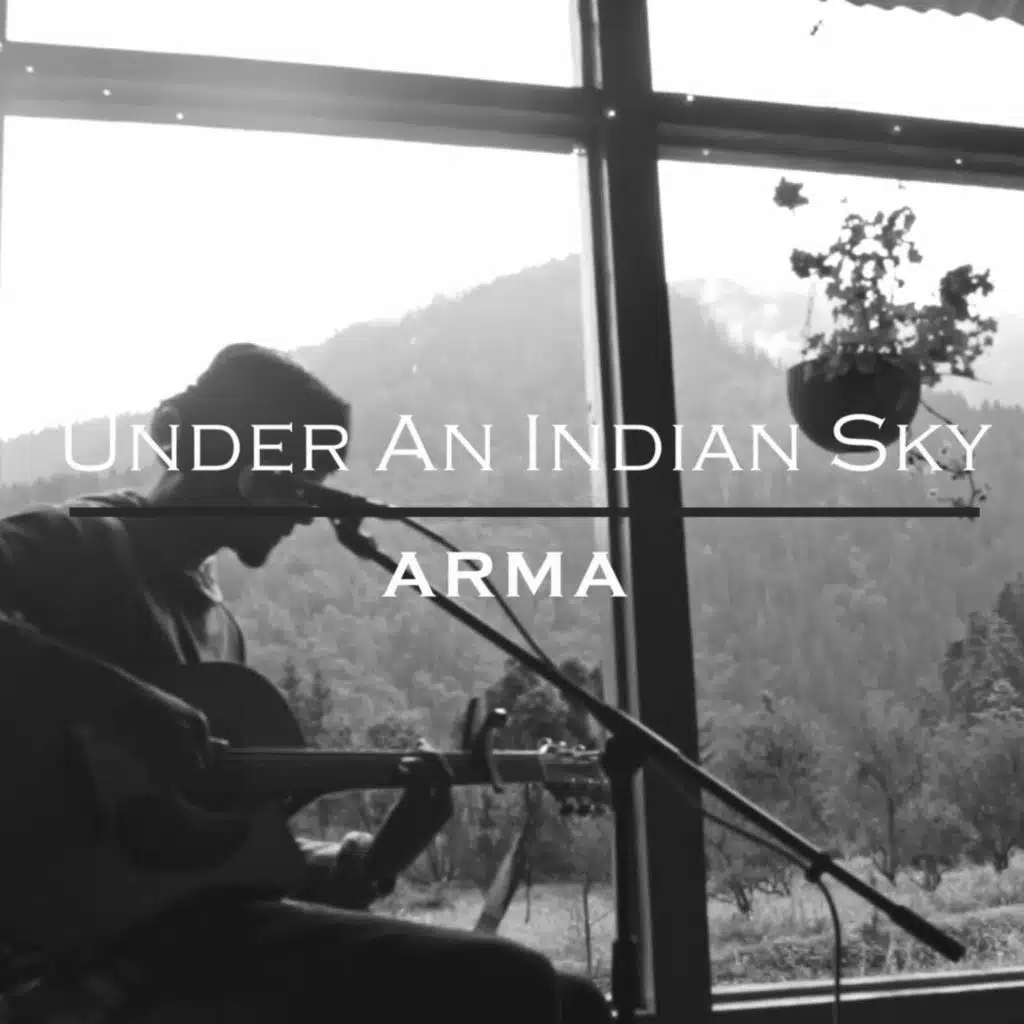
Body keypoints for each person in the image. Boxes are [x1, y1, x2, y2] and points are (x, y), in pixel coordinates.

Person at [0, 344, 614, 1024]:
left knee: (576, 1002)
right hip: (69, 942)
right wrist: (120, 701)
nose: (306, 512)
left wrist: (381, 856)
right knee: (510, 980)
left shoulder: (218, 628)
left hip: (182, 929)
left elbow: (220, 858)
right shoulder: (77, 544)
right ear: (237, 463)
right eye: (301, 480)